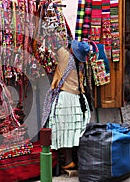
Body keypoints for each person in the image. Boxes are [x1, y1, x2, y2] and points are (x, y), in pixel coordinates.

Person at [42, 40, 91, 170]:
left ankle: (69, 161)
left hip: (66, 98)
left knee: (66, 131)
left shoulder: (64, 56)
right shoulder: (81, 64)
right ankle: (77, 160)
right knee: (75, 132)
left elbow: (55, 41)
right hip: (78, 99)